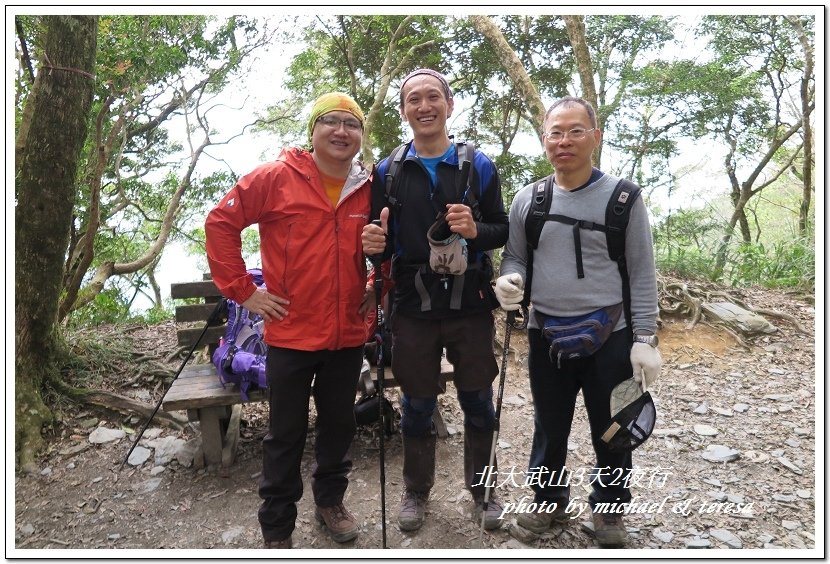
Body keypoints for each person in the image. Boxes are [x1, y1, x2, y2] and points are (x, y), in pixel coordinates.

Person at [205, 92, 374, 549]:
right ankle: (277, 529)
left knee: (340, 425)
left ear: (361, 135)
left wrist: (380, 285)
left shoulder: (370, 185)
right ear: (313, 131)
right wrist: (245, 292)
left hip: (347, 333)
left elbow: (388, 247)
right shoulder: (277, 177)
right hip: (292, 334)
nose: (341, 131)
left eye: (351, 124)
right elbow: (221, 222)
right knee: (285, 434)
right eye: (330, 122)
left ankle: (330, 502)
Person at [495, 96, 661, 548]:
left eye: (575, 131)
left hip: (612, 332)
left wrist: (645, 337)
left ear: (595, 137)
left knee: (613, 424)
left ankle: (609, 509)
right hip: (545, 330)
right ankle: (548, 501)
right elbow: (516, 255)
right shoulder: (530, 198)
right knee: (550, 424)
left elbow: (642, 270)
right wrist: (511, 278)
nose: (564, 141)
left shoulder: (624, 199)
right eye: (555, 132)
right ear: (544, 139)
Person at [361, 68, 509, 532]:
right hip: (413, 304)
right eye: (413, 100)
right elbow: (379, 243)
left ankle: (483, 491)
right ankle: (415, 491)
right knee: (418, 403)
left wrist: (475, 231)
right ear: (403, 111)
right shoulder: (387, 171)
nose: (423, 107)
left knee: (478, 400)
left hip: (470, 303)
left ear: (449, 104)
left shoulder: (477, 164)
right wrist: (371, 244)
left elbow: (501, 229)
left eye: (432, 97)